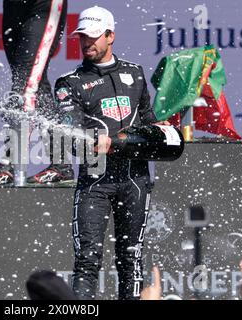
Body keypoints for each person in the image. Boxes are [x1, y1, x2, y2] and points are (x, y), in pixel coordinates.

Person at [54, 6, 169, 300]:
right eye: (82, 37)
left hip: (135, 180)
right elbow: (70, 138)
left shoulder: (135, 73)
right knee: (87, 261)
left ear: (110, 36)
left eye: (93, 37)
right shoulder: (69, 83)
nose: (86, 43)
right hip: (95, 182)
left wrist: (159, 128)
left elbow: (147, 122)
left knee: (131, 259)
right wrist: (97, 142)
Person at [0, 0, 75, 185]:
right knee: (33, 81)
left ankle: (10, 161)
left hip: (43, 6)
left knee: (25, 82)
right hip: (14, 7)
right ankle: (61, 164)